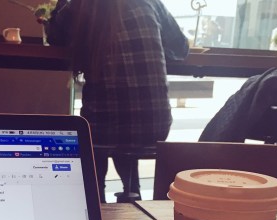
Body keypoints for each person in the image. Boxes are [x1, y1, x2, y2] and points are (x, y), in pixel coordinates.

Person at [44, 0, 188, 202]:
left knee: (104, 129)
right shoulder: (149, 2)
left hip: (103, 129)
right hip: (154, 125)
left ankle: (97, 197)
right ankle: (132, 191)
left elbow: (55, 38)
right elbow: (180, 48)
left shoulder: (81, 6)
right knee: (124, 125)